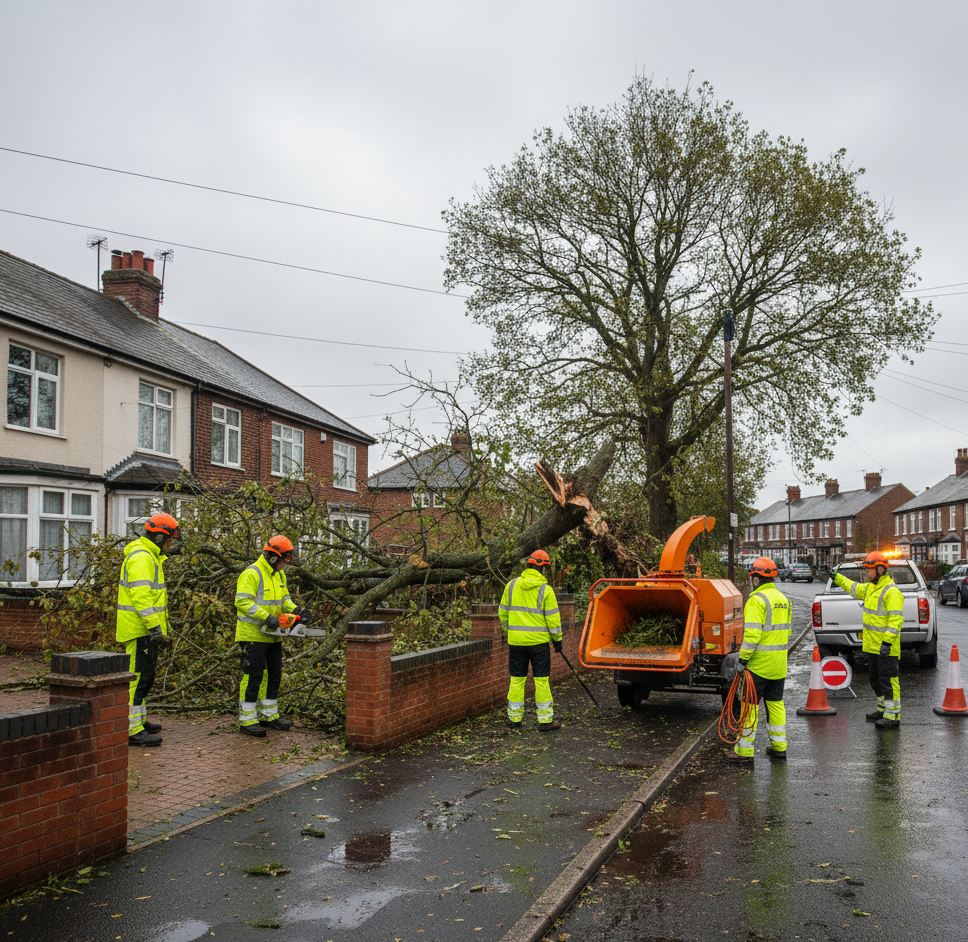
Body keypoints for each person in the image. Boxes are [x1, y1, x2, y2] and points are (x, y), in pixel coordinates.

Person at [117, 511, 179, 747]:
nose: (170, 544)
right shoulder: (143, 557)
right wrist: (154, 626)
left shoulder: (149, 555)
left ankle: (139, 721)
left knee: (145, 677)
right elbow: (141, 597)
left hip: (145, 628)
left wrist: (160, 628)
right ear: (160, 538)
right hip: (140, 628)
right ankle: (131, 729)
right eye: (169, 539)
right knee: (136, 678)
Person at [235, 535, 305, 737]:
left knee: (273, 675)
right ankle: (247, 720)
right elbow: (243, 602)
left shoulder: (279, 575)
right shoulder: (252, 574)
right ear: (274, 557)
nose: (284, 564)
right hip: (252, 634)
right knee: (253, 676)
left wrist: (297, 612)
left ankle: (269, 715)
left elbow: (285, 601)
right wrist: (266, 617)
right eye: (284, 559)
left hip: (273, 634)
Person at [728, 556, 792, 765]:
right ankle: (779, 748)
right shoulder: (784, 600)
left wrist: (742, 661)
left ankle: (744, 752)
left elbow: (752, 636)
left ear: (756, 578)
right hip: (778, 666)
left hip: (758, 667)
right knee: (775, 706)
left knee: (749, 708)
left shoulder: (757, 600)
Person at [830, 551, 903, 729]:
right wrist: (837, 577)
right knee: (875, 679)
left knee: (888, 680)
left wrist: (887, 643)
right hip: (872, 647)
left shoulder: (891, 592)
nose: (866, 573)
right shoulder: (870, 588)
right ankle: (883, 709)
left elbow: (895, 621)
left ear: (880, 570)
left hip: (886, 647)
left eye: (869, 570)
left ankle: (893, 716)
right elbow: (853, 588)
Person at [498, 549, 563, 731]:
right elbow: (553, 619)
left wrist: (510, 630)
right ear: (543, 569)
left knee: (517, 679)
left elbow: (502, 612)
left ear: (528, 565)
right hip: (539, 644)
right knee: (541, 680)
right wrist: (557, 640)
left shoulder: (511, 586)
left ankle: (514, 719)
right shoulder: (546, 590)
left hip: (516, 643)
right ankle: (545, 721)